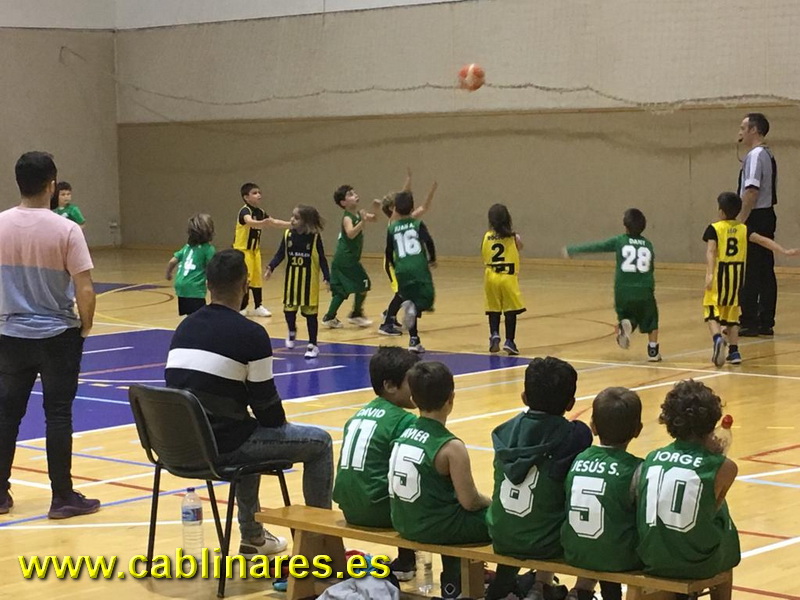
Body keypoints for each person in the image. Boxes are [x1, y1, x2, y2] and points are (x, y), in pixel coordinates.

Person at [165, 249, 333, 558]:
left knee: (244, 428)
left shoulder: (184, 328)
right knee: (319, 443)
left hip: (177, 448)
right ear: (245, 286)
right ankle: (320, 545)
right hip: (221, 448)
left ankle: (253, 538)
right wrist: (279, 424)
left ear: (208, 284)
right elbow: (267, 410)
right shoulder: (252, 334)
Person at [0, 151, 99, 519]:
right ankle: (62, 496)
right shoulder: (66, 229)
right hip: (57, 334)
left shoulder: (0, 224)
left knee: (7, 415)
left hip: (10, 334)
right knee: (57, 415)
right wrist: (85, 326)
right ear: (52, 185)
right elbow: (84, 288)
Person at [485, 356, 592, 600]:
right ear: (570, 404)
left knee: (533, 510)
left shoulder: (504, 430)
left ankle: (526, 586)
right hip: (546, 542)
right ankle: (581, 590)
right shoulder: (575, 436)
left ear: (524, 397)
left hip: (500, 535)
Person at [389, 361, 491, 600]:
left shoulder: (402, 434)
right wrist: (491, 503)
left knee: (449, 509)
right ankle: (464, 585)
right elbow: (470, 501)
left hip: (402, 521)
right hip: (432, 527)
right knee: (504, 521)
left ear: (413, 399)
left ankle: (454, 584)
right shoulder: (451, 447)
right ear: (451, 398)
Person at [637, 380, 740, 600]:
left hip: (653, 558)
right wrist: (714, 455)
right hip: (696, 564)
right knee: (725, 524)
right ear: (712, 420)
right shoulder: (726, 467)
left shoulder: (652, 458)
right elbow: (711, 507)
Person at [332, 346, 420, 580]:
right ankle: (446, 574)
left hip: (349, 508)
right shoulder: (404, 421)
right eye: (412, 381)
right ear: (390, 386)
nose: (418, 386)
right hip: (379, 512)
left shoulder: (356, 416)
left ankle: (407, 561)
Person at [561, 387, 644, 600]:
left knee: (607, 532)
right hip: (618, 557)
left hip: (575, 552)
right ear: (638, 430)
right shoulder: (636, 469)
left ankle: (582, 591)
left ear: (593, 427)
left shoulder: (578, 459)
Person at [703, 192, 798, 366]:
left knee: (711, 313)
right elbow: (763, 241)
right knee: (732, 317)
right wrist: (784, 251)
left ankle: (717, 338)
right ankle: (734, 352)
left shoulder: (714, 228)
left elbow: (711, 251)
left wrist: (709, 273)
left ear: (721, 212)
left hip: (719, 276)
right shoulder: (743, 228)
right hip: (737, 278)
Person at [564, 209, 661, 362]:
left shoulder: (620, 241)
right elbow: (650, 269)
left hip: (622, 291)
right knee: (651, 319)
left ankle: (627, 324)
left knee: (628, 315)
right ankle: (653, 351)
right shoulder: (648, 245)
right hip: (644, 290)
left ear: (625, 225)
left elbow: (597, 246)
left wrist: (573, 250)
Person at [375, 168, 437, 336]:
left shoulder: (405, 220)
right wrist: (408, 181)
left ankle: (390, 314)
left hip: (403, 261)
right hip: (394, 262)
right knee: (401, 292)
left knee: (403, 292)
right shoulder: (394, 221)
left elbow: (423, 206)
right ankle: (386, 322)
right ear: (393, 208)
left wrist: (431, 191)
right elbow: (405, 195)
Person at [265, 205, 330, 359]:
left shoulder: (314, 238)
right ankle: (292, 330)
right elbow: (280, 254)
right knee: (289, 311)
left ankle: (313, 344)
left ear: (306, 221)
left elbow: (322, 258)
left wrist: (327, 277)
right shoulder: (288, 235)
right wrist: (271, 267)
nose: (292, 220)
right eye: (292, 216)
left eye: (296, 218)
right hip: (292, 281)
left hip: (309, 283)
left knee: (310, 315)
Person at [736, 113, 778, 337]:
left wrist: (740, 221)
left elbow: (751, 190)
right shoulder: (767, 153)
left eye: (743, 128)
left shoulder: (754, 156)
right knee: (765, 270)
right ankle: (765, 321)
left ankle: (750, 320)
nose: (740, 132)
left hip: (756, 217)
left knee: (750, 270)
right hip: (767, 215)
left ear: (754, 130)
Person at [384, 191, 437, 353]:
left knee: (409, 299)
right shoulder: (417, 224)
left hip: (401, 269)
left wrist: (395, 266)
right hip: (418, 266)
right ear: (412, 208)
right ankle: (414, 308)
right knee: (427, 298)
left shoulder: (392, 228)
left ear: (395, 209)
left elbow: (388, 251)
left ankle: (414, 340)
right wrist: (432, 258)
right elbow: (428, 241)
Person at [322, 185, 376, 329]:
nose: (355, 195)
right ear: (343, 202)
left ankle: (329, 317)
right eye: (350, 194)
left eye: (354, 193)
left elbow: (374, 218)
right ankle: (356, 314)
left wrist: (375, 208)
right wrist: (363, 221)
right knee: (364, 284)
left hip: (344, 259)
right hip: (347, 259)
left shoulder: (358, 214)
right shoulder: (347, 217)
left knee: (341, 290)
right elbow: (351, 233)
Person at [234, 182, 290, 318]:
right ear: (246, 197)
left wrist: (291, 224)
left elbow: (274, 222)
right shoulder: (245, 211)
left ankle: (258, 306)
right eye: (254, 193)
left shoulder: (260, 212)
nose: (258, 195)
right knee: (246, 279)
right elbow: (249, 222)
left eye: (259, 192)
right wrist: (262, 223)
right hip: (243, 250)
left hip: (255, 251)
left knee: (256, 279)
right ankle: (242, 307)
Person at [482, 203, 525, 355]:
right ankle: (510, 341)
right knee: (510, 310)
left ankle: (494, 334)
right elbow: (520, 247)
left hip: (491, 276)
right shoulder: (513, 237)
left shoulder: (487, 236)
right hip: (508, 276)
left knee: (493, 308)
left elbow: (483, 254)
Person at [165, 213, 216, 316]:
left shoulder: (187, 247)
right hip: (195, 288)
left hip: (180, 286)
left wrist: (168, 274)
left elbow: (172, 261)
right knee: (199, 317)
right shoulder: (208, 249)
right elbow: (213, 268)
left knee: (188, 315)